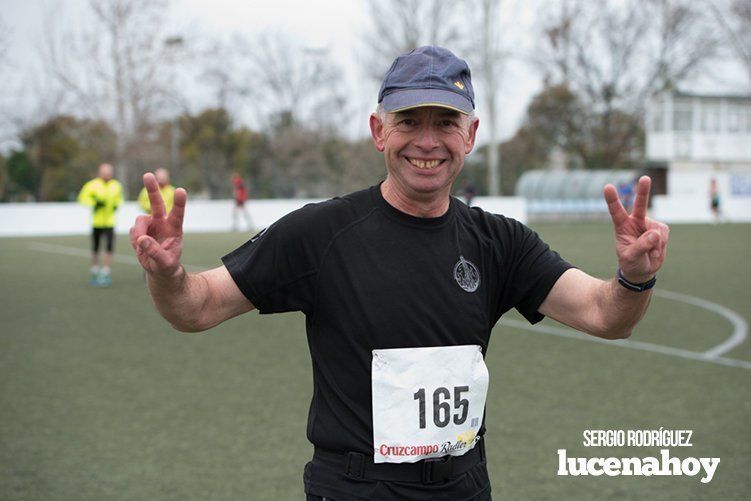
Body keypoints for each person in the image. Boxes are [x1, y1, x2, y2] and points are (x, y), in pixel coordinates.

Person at [130, 46, 670, 500]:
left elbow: (606, 315)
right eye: (409, 121)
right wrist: (168, 275)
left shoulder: (502, 242)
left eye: (446, 123)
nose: (427, 141)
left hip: (465, 485)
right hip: (355, 488)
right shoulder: (320, 233)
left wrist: (634, 278)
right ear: (378, 131)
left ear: (472, 133)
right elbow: (197, 307)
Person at [78, 163, 123, 286]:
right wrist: (94, 203)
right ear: (100, 173)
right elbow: (82, 198)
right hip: (97, 222)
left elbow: (120, 199)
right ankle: (94, 271)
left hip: (110, 222)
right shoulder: (92, 185)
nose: (107, 175)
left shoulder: (116, 185)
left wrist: (116, 205)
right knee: (95, 248)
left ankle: (106, 273)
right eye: (105, 172)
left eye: (109, 172)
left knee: (109, 247)